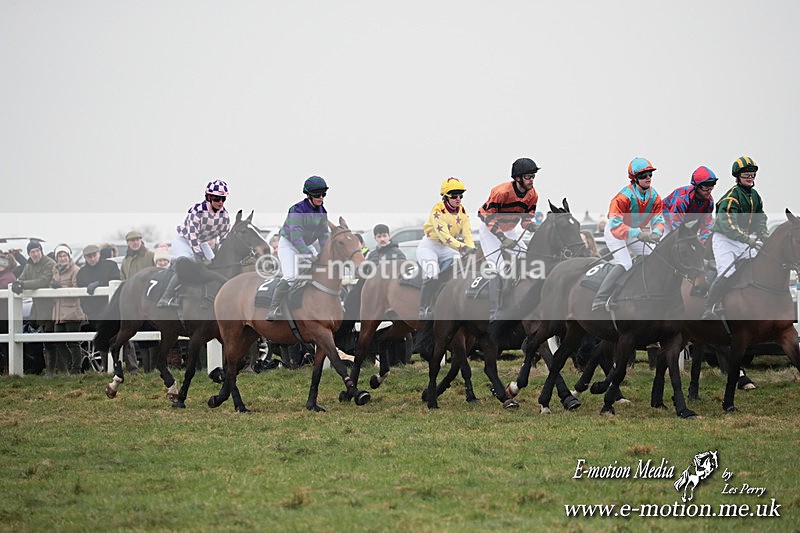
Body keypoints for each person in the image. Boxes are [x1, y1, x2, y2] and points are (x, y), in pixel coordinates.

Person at [592, 157, 666, 311]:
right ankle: (600, 298)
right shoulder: (623, 197)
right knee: (625, 263)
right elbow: (615, 223)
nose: (648, 178)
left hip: (633, 232)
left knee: (652, 256)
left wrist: (656, 232)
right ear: (635, 178)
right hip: (615, 232)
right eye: (643, 176)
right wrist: (637, 233)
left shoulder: (654, 196)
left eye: (650, 175)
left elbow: (658, 219)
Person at [702, 156, 768, 319]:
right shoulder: (731, 197)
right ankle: (709, 307)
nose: (750, 177)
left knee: (759, 267)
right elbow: (728, 224)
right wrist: (747, 238)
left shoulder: (755, 196)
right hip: (725, 240)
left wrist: (763, 233)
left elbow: (760, 218)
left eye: (752, 174)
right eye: (746, 174)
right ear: (738, 176)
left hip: (745, 239)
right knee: (727, 272)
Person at [477, 157, 540, 322]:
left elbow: (525, 220)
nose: (532, 180)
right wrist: (502, 238)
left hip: (510, 229)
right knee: (498, 268)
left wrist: (532, 226)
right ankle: (494, 311)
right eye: (528, 177)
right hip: (490, 230)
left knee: (527, 256)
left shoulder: (533, 195)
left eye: (533, 176)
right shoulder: (501, 192)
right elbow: (487, 217)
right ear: (518, 178)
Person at [158, 179, 231, 307]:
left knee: (215, 264)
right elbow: (192, 236)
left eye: (223, 199)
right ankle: (166, 296)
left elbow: (224, 237)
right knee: (187, 264)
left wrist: (222, 254)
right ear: (209, 197)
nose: (220, 202)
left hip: (201, 242)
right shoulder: (197, 210)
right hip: (184, 240)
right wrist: (200, 256)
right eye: (217, 198)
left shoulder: (224, 215)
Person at [267, 176, 330, 320]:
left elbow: (324, 235)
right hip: (289, 244)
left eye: (323, 194)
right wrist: (308, 256)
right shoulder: (297, 210)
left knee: (321, 271)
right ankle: (273, 308)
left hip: (306, 245)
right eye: (317, 195)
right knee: (291, 276)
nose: (321, 197)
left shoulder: (322, 211)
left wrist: (325, 252)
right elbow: (296, 237)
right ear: (309, 195)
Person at [416, 177, 476, 319]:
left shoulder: (462, 211)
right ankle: (424, 308)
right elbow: (445, 237)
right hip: (429, 247)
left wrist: (471, 248)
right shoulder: (438, 210)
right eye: (454, 196)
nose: (458, 199)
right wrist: (463, 248)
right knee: (433, 271)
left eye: (461, 195)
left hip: (447, 248)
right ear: (446, 196)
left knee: (462, 266)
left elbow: (467, 233)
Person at [11, 241, 58, 373]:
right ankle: (42, 368)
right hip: (37, 308)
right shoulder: (29, 265)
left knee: (50, 340)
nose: (36, 254)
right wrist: (17, 283)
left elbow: (43, 281)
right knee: (38, 339)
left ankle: (53, 370)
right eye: (32, 252)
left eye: (37, 251)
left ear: (41, 251)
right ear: (29, 254)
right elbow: (21, 278)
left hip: (51, 307)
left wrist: (22, 285)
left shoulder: (49, 263)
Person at [50, 245, 86, 374]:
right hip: (58, 312)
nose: (62, 258)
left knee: (73, 342)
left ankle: (76, 369)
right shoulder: (55, 271)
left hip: (72, 311)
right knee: (58, 341)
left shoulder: (75, 270)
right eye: (60, 256)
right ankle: (71, 364)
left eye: (64, 255)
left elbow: (77, 290)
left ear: (69, 256)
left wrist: (61, 287)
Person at [663, 166, 717, 244]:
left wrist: (704, 243)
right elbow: (675, 226)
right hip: (664, 218)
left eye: (711, 186)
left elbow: (706, 226)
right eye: (705, 187)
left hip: (685, 221)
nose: (709, 190)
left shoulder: (709, 202)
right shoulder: (682, 199)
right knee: (670, 243)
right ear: (696, 186)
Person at [76, 244, 121, 329]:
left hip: (110, 311)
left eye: (94, 255)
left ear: (99, 254)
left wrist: (99, 283)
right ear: (85, 258)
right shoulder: (81, 273)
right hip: (92, 313)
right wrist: (87, 311)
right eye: (89, 256)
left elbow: (116, 280)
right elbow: (81, 295)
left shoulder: (111, 266)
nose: (92, 259)